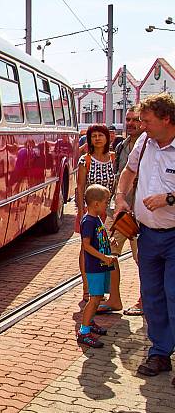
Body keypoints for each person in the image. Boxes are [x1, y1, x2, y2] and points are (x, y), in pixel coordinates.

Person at [115, 93, 175, 379]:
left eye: (147, 121)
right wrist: (120, 198)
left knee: (174, 295)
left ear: (166, 119)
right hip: (148, 235)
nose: (142, 126)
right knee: (152, 297)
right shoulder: (144, 142)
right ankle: (160, 353)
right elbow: (129, 171)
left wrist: (169, 198)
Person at [76, 124, 121, 310]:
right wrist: (81, 210)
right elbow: (80, 187)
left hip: (108, 210)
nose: (97, 139)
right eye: (93, 136)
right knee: (86, 248)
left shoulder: (114, 158)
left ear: (107, 138)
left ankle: (103, 290)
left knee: (106, 248)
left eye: (100, 135)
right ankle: (87, 287)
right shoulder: (84, 160)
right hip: (91, 211)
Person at [77, 184, 118, 348]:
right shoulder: (88, 221)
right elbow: (86, 245)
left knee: (98, 296)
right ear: (96, 204)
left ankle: (90, 322)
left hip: (100, 265)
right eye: (105, 202)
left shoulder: (97, 219)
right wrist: (104, 257)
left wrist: (109, 242)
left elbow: (98, 239)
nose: (107, 205)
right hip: (94, 266)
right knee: (94, 299)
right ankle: (84, 331)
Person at [113, 107, 143, 316]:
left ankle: (143, 300)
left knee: (142, 260)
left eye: (135, 120)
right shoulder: (122, 145)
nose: (130, 123)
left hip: (142, 214)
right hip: (122, 213)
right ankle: (114, 298)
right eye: (128, 119)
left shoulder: (149, 146)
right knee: (109, 254)